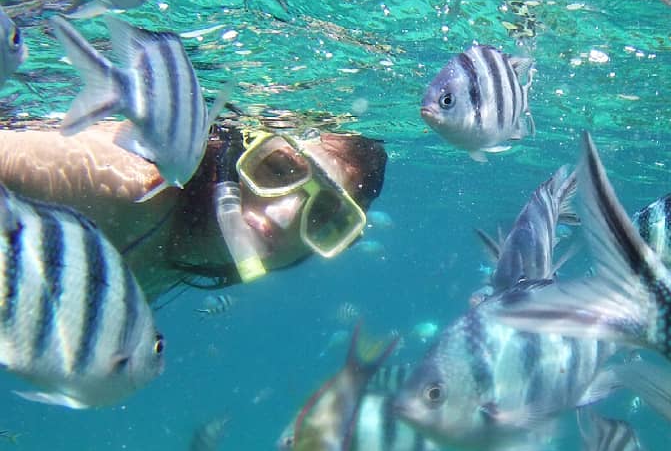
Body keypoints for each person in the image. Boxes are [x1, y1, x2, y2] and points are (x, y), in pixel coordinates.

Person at [0, 111, 387, 301]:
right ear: (237, 149)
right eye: (277, 169)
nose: (283, 215)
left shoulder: (185, 243)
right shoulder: (129, 181)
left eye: (322, 216)